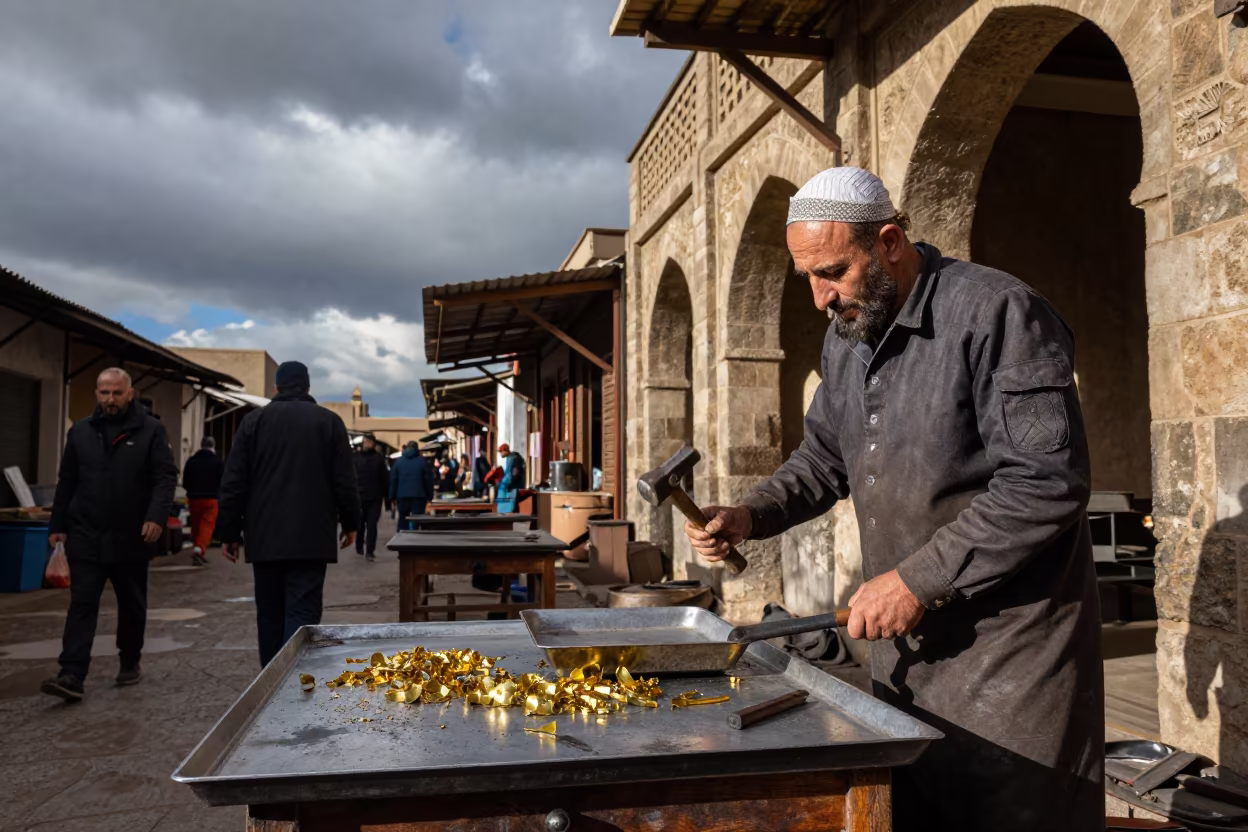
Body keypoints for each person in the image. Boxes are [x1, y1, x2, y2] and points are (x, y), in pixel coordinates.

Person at [683, 167, 1102, 830]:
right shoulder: (848, 332)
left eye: (833, 272)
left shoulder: (997, 314)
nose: (821, 295)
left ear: (888, 242)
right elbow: (824, 459)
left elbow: (1045, 482)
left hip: (1013, 661)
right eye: (810, 278)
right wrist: (750, 514)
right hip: (906, 658)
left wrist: (916, 579)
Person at [41, 368, 178, 701]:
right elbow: (67, 480)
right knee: (82, 604)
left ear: (130, 393)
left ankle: (129, 659)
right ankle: (72, 673)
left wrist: (156, 517)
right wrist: (58, 526)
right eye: (104, 393)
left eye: (117, 393)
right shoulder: (81, 432)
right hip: (86, 533)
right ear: (97, 394)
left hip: (133, 536)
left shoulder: (150, 431)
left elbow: (164, 478)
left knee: (131, 604)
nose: (110, 399)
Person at [217, 361, 360, 667]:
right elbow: (345, 481)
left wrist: (228, 533)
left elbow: (234, 482)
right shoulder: (329, 422)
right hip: (311, 537)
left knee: (269, 615)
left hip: (264, 537)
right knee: (302, 613)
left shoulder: (253, 422)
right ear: (308, 387)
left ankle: (269, 685)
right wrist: (351, 523)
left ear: (276, 388)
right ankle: (294, 683)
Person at [182, 436, 224, 567]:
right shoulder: (218, 462)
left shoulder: (192, 461)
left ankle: (198, 548)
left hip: (194, 498)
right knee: (207, 525)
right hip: (211, 498)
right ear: (213, 446)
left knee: (196, 524)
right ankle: (199, 549)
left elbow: (185, 481)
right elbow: (223, 481)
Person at [352, 435, 388, 561]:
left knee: (372, 525)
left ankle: (370, 551)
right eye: (365, 441)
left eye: (370, 442)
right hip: (359, 497)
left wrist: (387, 497)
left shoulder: (379, 459)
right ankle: (359, 545)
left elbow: (385, 479)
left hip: (374, 497)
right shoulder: (355, 458)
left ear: (374, 444)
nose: (367, 444)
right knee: (360, 524)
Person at [389, 441, 434, 530]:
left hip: (402, 497)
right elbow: (428, 480)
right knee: (417, 520)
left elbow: (393, 480)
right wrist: (429, 496)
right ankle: (415, 539)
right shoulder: (422, 462)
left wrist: (392, 497)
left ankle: (402, 540)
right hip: (419, 496)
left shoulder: (398, 462)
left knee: (403, 520)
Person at [494, 443, 525, 514]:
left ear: (505, 451)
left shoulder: (515, 458)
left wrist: (506, 482)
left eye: (501, 452)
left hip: (514, 486)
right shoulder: (510, 458)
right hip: (510, 485)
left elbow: (514, 473)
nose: (500, 454)